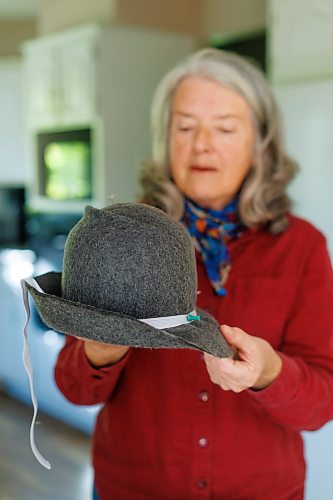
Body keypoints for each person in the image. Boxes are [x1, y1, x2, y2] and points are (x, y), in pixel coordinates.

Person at [55, 48, 333, 499]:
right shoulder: (123, 234)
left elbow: (321, 403)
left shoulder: (302, 247)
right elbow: (74, 389)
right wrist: (98, 350)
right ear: (165, 139)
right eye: (185, 127)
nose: (202, 143)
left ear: (260, 141)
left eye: (224, 128)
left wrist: (268, 372)